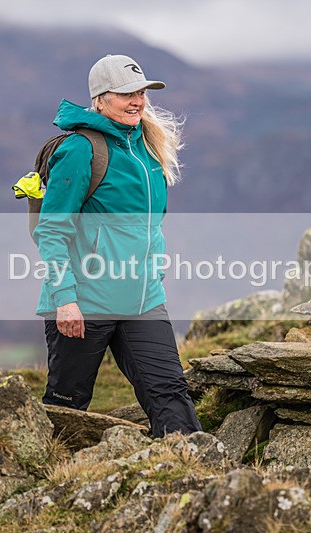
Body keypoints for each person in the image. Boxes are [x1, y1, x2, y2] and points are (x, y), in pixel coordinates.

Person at [32, 54, 202, 437]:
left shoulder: (147, 147)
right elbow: (52, 231)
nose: (137, 100)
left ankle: (190, 474)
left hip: (143, 301)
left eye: (141, 91)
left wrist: (154, 273)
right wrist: (64, 298)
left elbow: (149, 227)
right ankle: (50, 479)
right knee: (67, 405)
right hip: (84, 301)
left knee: (170, 392)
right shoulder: (79, 150)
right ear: (100, 99)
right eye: (125, 93)